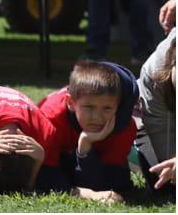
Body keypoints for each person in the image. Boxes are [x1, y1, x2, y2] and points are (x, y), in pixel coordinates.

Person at [38, 60, 139, 196]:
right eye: (89, 107)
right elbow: (45, 177)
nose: (97, 117)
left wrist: (84, 147)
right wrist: (86, 194)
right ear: (70, 103)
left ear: (118, 107)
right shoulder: (50, 119)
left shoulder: (123, 125)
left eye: (107, 108)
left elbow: (113, 182)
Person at [135, 24, 176, 192]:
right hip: (159, 111)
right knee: (164, 182)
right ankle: (131, 149)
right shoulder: (154, 72)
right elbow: (168, 162)